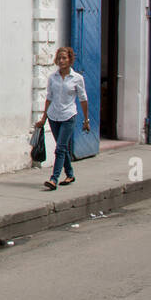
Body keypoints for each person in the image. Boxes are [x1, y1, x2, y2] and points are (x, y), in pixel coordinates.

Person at [35, 46, 89, 191]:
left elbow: (83, 99)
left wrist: (86, 120)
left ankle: (54, 179)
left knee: (59, 148)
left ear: (70, 59)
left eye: (64, 58)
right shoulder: (53, 78)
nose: (61, 61)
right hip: (53, 116)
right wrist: (44, 118)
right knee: (62, 147)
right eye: (59, 58)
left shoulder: (77, 78)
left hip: (68, 116)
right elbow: (49, 98)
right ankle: (70, 174)